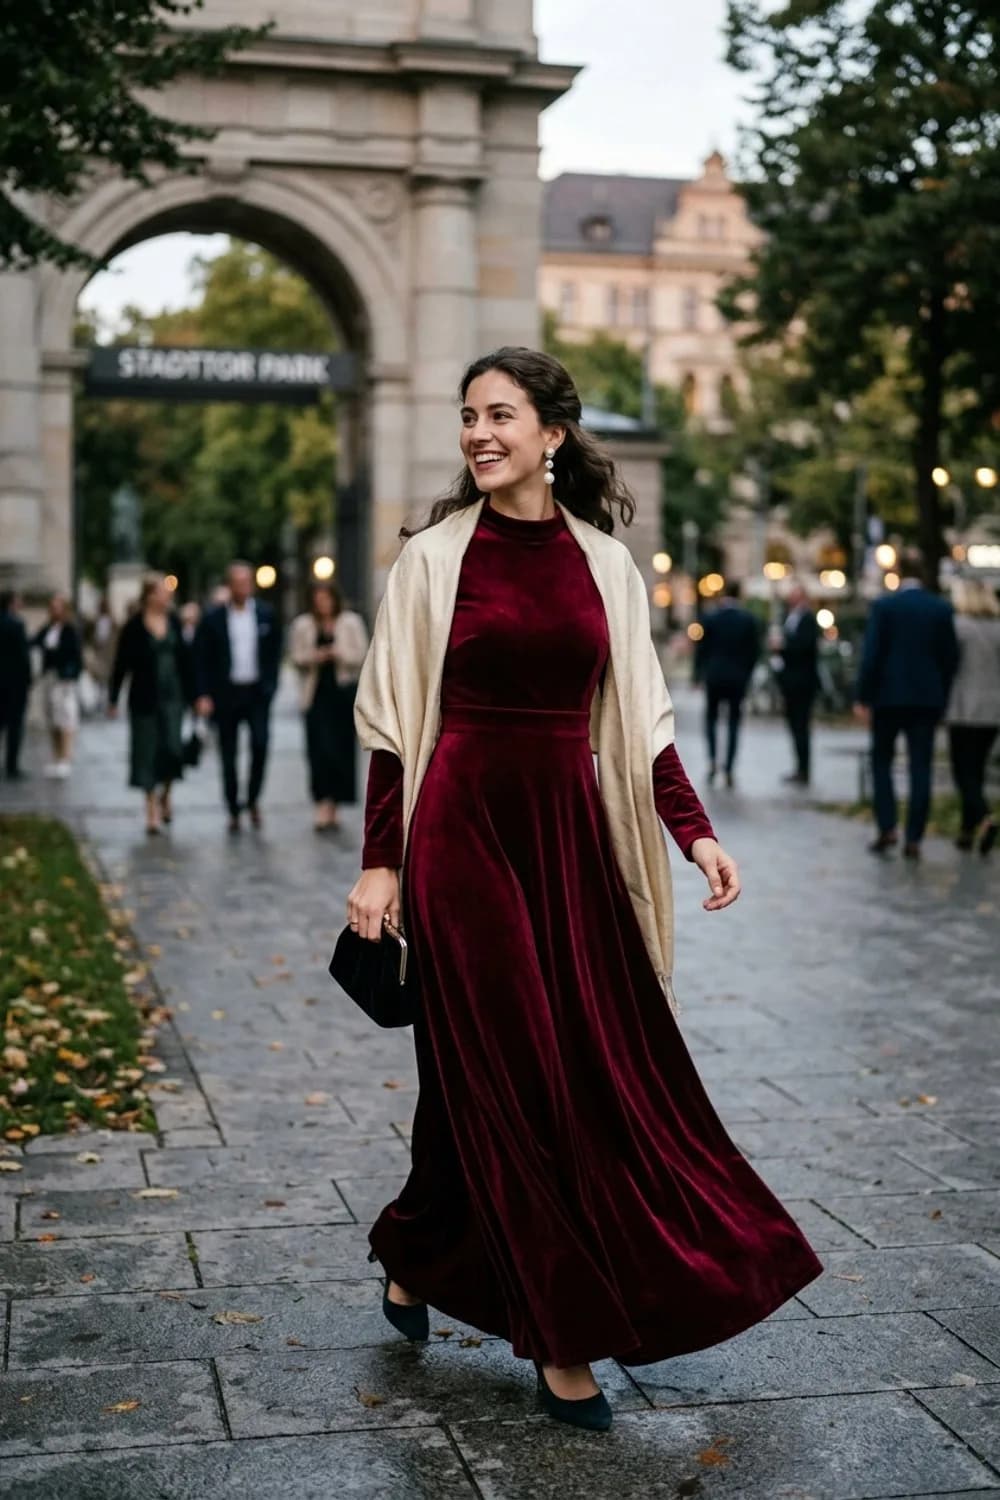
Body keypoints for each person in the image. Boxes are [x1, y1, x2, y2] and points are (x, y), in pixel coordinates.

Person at [347, 347, 822, 1434]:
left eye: (500, 415)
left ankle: (417, 1247)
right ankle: (562, 1335)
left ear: (551, 434)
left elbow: (642, 721)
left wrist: (694, 835)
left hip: (566, 840)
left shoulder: (607, 564)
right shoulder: (430, 559)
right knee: (516, 1071)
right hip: (459, 834)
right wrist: (381, 862)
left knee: (563, 1070)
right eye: (467, 415)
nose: (479, 432)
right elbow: (389, 726)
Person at [854, 552, 960, 858]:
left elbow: (871, 655)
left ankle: (887, 826)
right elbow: (950, 657)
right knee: (920, 766)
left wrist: (863, 696)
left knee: (881, 763)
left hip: (888, 698)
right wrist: (942, 691)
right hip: (926, 699)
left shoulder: (886, 607)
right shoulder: (940, 609)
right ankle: (915, 836)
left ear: (899, 573)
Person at [194, 561, 283, 833]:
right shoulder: (214, 619)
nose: (243, 588)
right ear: (229, 586)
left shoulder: (266, 614)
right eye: (238, 583)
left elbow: (275, 652)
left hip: (257, 693)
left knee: (260, 744)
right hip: (227, 694)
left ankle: (253, 798)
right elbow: (202, 659)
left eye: (247, 582)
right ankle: (233, 807)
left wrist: (270, 686)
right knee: (228, 754)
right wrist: (203, 695)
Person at [108, 574, 194, 836]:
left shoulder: (175, 623)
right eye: (162, 591)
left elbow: (187, 661)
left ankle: (165, 793)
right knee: (146, 752)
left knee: (172, 748)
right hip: (144, 698)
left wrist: (197, 695)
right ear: (149, 595)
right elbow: (121, 665)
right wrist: (113, 698)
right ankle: (150, 810)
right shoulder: (133, 627)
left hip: (173, 698)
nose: (167, 596)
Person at [290, 581, 369, 831]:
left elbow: (363, 654)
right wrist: (315, 656)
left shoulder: (350, 622)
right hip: (316, 696)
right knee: (318, 751)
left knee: (341, 751)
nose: (322, 603)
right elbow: (295, 656)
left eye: (326, 598)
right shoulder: (303, 624)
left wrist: (339, 653)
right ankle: (321, 803)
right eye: (318, 598)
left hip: (343, 695)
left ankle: (335, 803)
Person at [946, 578, 1000, 855]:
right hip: (992, 711)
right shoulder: (997, 629)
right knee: (977, 769)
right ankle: (967, 831)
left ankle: (983, 816)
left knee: (962, 771)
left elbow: (948, 665)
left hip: (964, 708)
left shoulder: (959, 628)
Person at [693, 580, 760, 787]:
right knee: (733, 722)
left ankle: (713, 761)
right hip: (737, 679)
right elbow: (754, 652)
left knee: (711, 719)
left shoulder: (711, 618)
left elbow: (701, 650)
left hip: (714, 676)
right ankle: (729, 767)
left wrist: (697, 676)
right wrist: (747, 673)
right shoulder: (748, 620)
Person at [773, 582, 820, 786]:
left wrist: (783, 646)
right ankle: (799, 766)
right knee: (794, 725)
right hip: (790, 681)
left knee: (801, 725)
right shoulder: (788, 617)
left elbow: (805, 647)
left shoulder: (808, 619)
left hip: (802, 681)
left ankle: (804, 768)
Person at [32, 594, 83, 779]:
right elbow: (34, 643)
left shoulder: (70, 630)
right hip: (49, 677)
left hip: (65, 680)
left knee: (66, 719)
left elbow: (76, 656)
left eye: (57, 607)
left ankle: (65, 758)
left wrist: (71, 675)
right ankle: (56, 756)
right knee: (52, 718)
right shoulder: (47, 629)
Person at [0, 591, 31, 781]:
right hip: (14, 684)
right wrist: (28, 680)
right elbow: (23, 657)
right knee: (15, 726)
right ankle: (11, 766)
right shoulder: (17, 625)